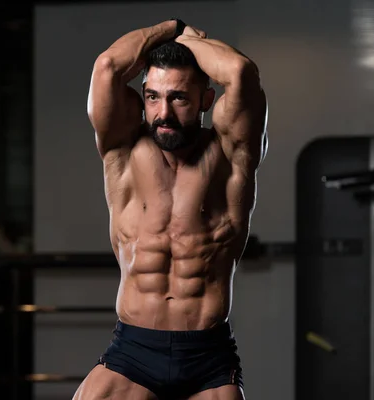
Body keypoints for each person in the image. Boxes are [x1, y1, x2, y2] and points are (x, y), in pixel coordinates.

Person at [74, 18, 268, 400]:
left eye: (178, 97)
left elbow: (240, 71)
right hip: (133, 353)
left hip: (208, 358)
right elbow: (108, 67)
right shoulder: (122, 151)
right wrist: (172, 27)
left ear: (205, 101)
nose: (163, 111)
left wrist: (189, 40)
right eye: (153, 97)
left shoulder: (232, 156)